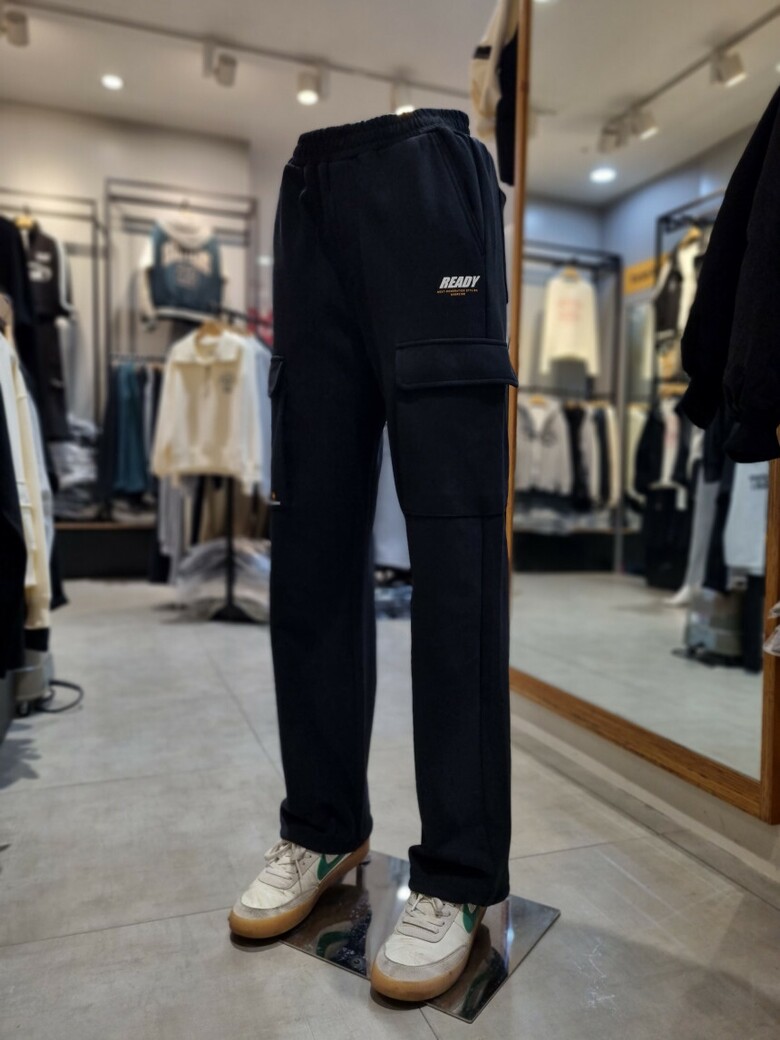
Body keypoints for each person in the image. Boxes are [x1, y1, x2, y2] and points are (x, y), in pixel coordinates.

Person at [229, 109, 516, 1003]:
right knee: (309, 545)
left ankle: (459, 872)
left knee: (456, 553)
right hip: (308, 197)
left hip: (425, 192)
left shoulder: (437, 164)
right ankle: (323, 827)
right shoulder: (300, 186)